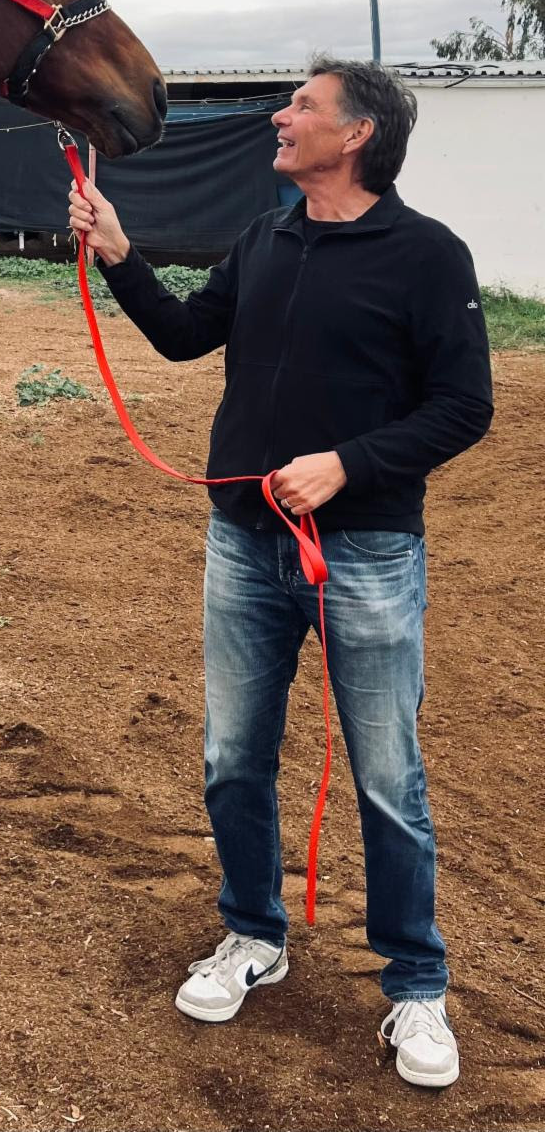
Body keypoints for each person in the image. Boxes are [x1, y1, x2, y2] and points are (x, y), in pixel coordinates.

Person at [67, 56, 493, 1090]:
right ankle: (253, 935)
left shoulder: (427, 254)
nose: (280, 113)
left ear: (357, 136)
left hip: (370, 551)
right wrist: (120, 252)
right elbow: (180, 335)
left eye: (301, 104)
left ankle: (416, 985)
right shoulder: (267, 235)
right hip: (243, 544)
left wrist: (348, 462)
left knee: (389, 776)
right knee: (231, 757)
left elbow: (463, 406)